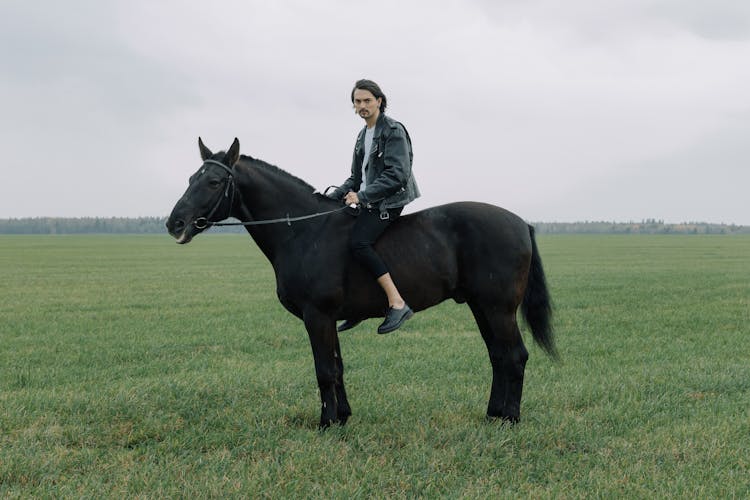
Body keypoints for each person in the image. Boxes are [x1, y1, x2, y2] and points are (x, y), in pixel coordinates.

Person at [328, 79, 421, 334]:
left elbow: (397, 175)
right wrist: (333, 196)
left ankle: (397, 302)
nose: (362, 106)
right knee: (342, 235)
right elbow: (356, 178)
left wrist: (363, 196)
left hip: (390, 200)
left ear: (379, 101)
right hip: (369, 198)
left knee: (359, 242)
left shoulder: (393, 130)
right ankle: (358, 307)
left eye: (367, 100)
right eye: (357, 102)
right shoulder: (362, 135)